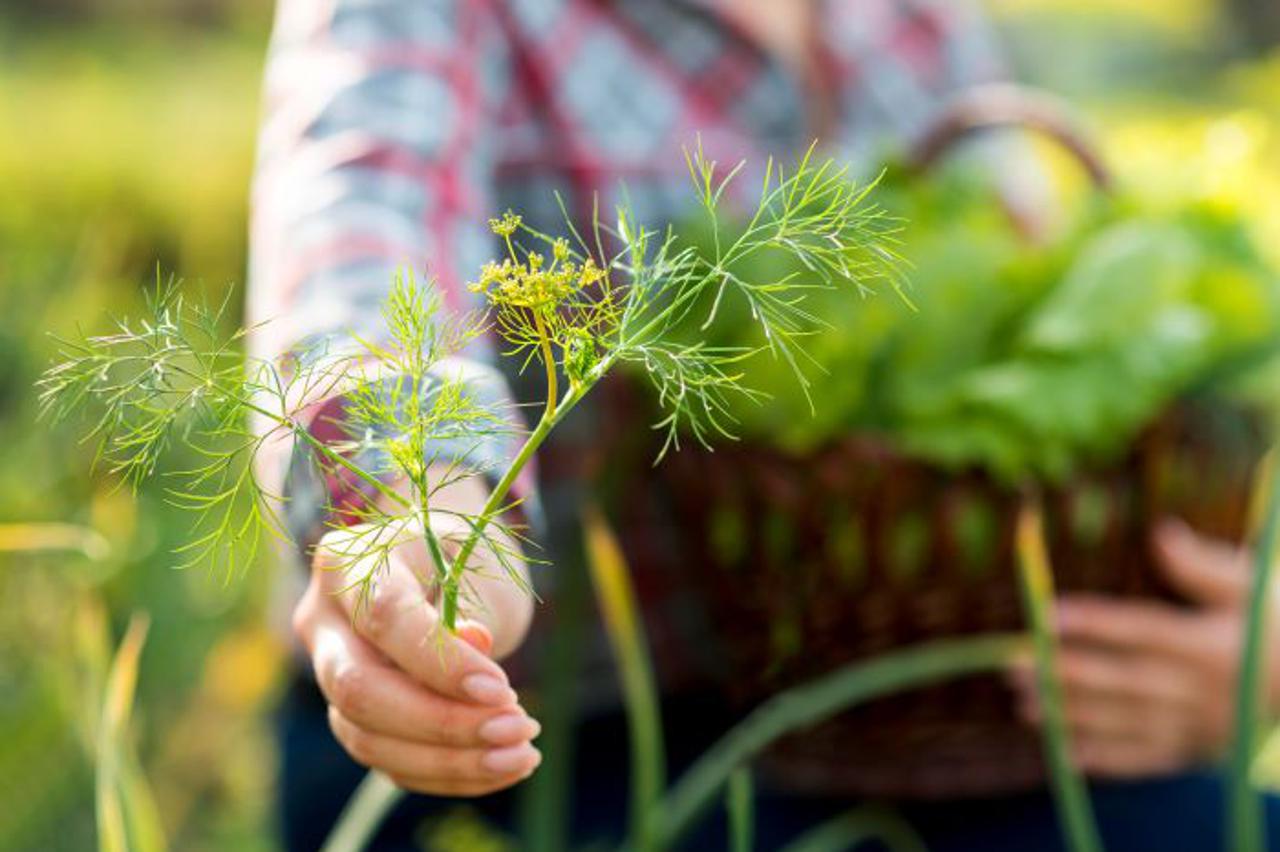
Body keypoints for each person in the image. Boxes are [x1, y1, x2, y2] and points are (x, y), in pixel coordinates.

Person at [249, 1, 1280, 849]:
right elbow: (359, 257)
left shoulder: (914, 23)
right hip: (541, 741)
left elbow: (1023, 309)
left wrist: (1241, 652)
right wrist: (423, 515)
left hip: (912, 718)